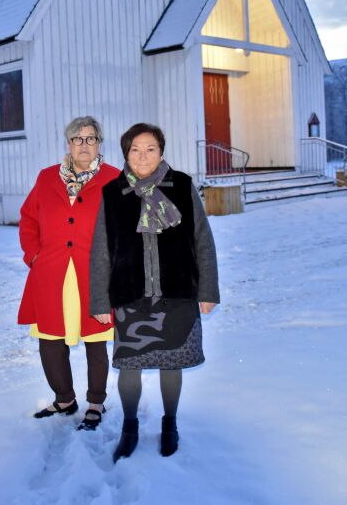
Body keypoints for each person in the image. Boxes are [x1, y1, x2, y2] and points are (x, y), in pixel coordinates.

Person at [89, 122, 220, 462]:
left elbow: (202, 241)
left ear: (161, 151)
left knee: (171, 363)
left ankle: (170, 424)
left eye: (150, 149)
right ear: (126, 154)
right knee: (129, 367)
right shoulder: (113, 193)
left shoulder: (182, 186)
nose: (143, 155)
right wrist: (100, 300)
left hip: (177, 293)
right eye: (135, 149)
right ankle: (129, 426)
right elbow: (101, 251)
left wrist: (208, 290)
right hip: (130, 293)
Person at [18, 116, 120, 431]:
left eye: (90, 138)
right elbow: (28, 219)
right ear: (68, 144)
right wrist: (34, 255)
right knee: (50, 340)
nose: (84, 145)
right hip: (51, 273)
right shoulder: (47, 177)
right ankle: (64, 398)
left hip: (94, 274)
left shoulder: (115, 179)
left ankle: (95, 402)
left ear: (99, 143)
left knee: (95, 340)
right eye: (77, 139)